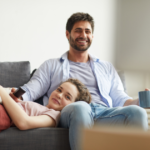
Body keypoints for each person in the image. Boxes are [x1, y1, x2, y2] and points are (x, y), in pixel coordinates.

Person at [10, 12, 148, 150]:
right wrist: (17, 95)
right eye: (78, 31)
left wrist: (141, 101)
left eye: (87, 31)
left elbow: (121, 99)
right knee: (81, 107)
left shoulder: (106, 67)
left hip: (103, 112)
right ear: (67, 34)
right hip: (70, 111)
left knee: (138, 113)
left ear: (92, 36)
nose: (83, 35)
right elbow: (32, 88)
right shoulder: (51, 65)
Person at [0, 78, 91, 132]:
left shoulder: (54, 115)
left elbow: (24, 123)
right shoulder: (39, 106)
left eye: (67, 97)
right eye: (59, 90)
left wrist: (2, 91)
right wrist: (13, 101)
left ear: (72, 106)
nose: (59, 95)